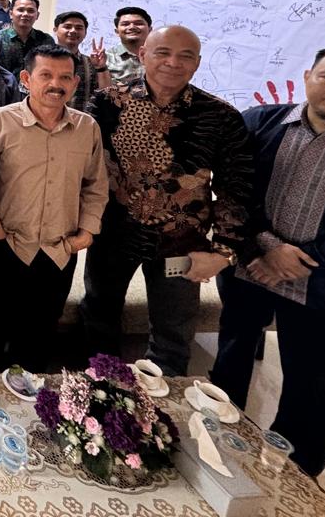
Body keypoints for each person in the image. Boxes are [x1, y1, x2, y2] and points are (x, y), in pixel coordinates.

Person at [211, 46, 325, 477]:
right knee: (231, 359)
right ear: (308, 76)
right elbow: (232, 191)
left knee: (313, 387)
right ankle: (215, 445)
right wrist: (266, 247)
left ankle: (295, 478)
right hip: (250, 268)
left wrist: (305, 260)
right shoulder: (260, 122)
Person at [80, 25, 255, 375]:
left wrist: (223, 251)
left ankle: (161, 398)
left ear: (197, 63)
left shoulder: (219, 116)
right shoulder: (107, 103)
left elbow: (236, 187)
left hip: (182, 242)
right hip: (114, 234)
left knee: (173, 331)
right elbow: (84, 169)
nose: (173, 63)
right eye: (163, 53)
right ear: (143, 55)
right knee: (98, 314)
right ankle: (98, 389)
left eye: (185, 56)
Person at [0, 46, 108, 372]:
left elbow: (95, 184)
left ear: (75, 83)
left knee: (42, 324)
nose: (55, 84)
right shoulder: (0, 121)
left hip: (59, 247)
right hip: (8, 242)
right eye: (45, 75)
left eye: (64, 77)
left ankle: (28, 388)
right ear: (26, 79)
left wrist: (87, 231)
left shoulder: (87, 128)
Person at [52, 11, 110, 110]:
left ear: (85, 33)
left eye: (79, 28)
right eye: (67, 27)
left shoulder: (91, 62)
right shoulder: (41, 60)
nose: (73, 31)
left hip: (82, 118)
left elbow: (106, 95)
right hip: (45, 118)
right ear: (55, 30)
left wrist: (101, 68)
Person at [0, 0, 52, 76]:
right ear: (11, 14)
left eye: (30, 11)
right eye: (20, 10)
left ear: (37, 15)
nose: (25, 14)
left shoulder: (46, 40)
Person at [106, 6, 152, 82]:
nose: (132, 27)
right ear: (117, 32)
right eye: (125, 24)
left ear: (150, 29)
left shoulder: (162, 56)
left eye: (138, 23)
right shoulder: (106, 59)